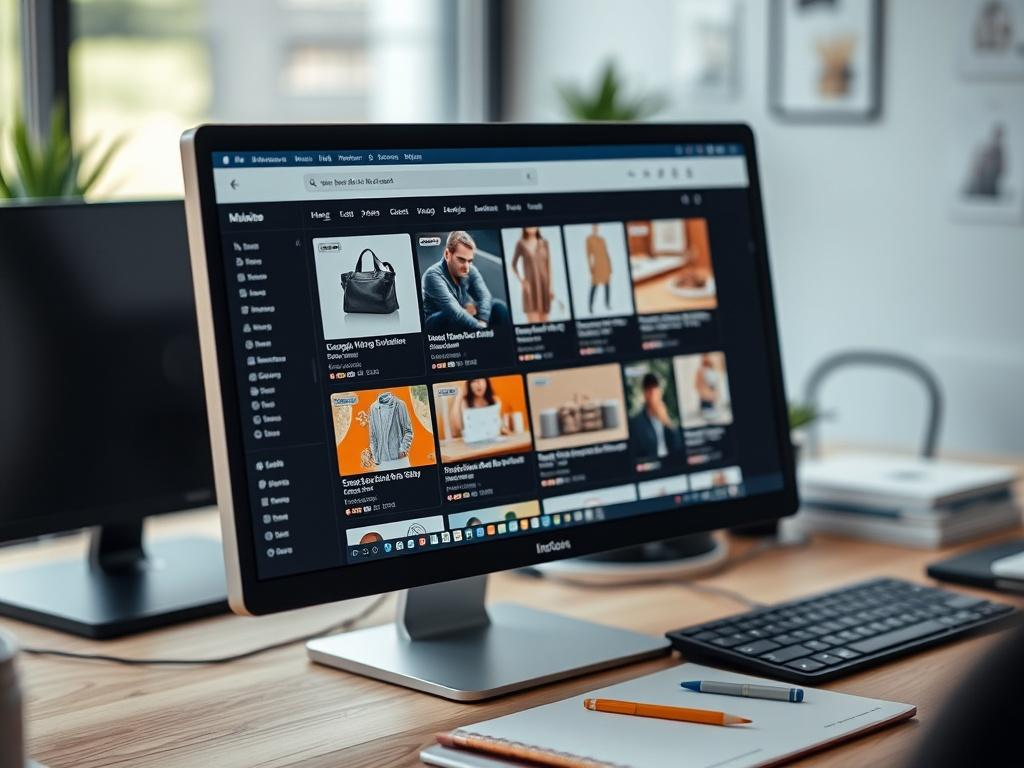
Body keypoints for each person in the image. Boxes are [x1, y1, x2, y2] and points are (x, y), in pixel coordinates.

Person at [421, 230, 510, 332]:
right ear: (447, 254)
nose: (466, 267)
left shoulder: (469, 269)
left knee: (498, 307)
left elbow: (485, 296)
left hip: (464, 313)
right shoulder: (432, 275)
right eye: (461, 260)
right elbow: (453, 310)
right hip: (437, 323)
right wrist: (481, 328)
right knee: (451, 315)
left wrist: (483, 319)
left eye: (469, 261)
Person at [628, 372, 682, 460]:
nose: (654, 393)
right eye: (649, 389)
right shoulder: (636, 423)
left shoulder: (669, 416)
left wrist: (666, 421)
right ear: (645, 393)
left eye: (656, 388)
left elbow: (679, 446)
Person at [510, 226, 553, 324]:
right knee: (534, 325)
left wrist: (550, 288)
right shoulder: (521, 244)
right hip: (530, 287)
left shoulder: (544, 243)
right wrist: (522, 281)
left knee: (547, 325)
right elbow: (513, 265)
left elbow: (549, 267)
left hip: (544, 287)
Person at [368, 391, 413, 470]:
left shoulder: (400, 405)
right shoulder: (373, 408)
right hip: (382, 463)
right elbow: (373, 436)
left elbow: (408, 431)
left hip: (400, 460)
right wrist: (375, 457)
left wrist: (403, 450)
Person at [586, 223, 612, 314]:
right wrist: (590, 267)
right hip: (596, 265)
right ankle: (590, 306)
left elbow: (606, 253)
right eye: (594, 226)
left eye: (597, 227)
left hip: (605, 264)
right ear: (592, 228)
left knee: (607, 285)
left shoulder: (602, 239)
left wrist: (610, 266)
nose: (595, 228)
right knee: (594, 286)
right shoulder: (589, 239)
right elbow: (588, 254)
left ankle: (607, 303)